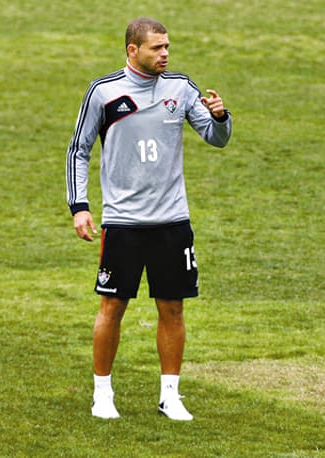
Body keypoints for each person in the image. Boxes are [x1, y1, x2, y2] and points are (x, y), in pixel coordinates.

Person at [65, 17, 232, 421]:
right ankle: (102, 394)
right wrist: (80, 206)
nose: (165, 54)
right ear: (132, 50)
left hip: (172, 220)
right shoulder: (104, 92)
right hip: (123, 221)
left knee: (172, 307)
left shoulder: (181, 88)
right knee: (112, 306)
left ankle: (170, 395)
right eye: (157, 48)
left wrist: (221, 116)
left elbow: (216, 138)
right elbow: (78, 150)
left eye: (167, 47)